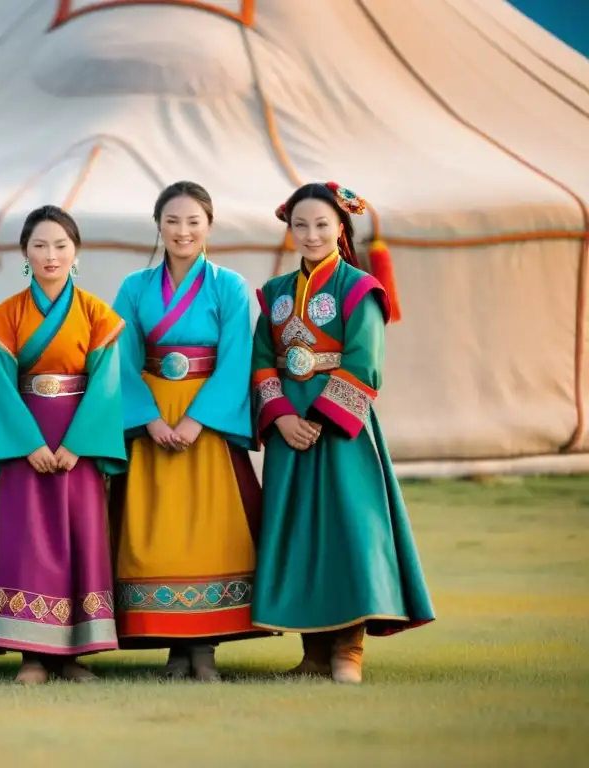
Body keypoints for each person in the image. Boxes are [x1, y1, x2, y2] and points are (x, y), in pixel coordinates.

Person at [250, 181, 435, 684]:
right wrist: (284, 417)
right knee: (299, 533)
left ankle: (347, 651)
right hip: (291, 432)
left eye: (322, 224)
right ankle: (312, 653)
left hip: (342, 433)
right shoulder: (274, 295)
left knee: (350, 531)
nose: (311, 235)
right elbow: (263, 361)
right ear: (289, 230)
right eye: (301, 225)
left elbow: (364, 362)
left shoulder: (360, 289)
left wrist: (321, 419)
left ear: (340, 228)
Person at [112, 181, 265, 682]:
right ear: (158, 224)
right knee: (158, 533)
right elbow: (124, 358)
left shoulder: (230, 286)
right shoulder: (134, 288)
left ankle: (205, 649)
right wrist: (150, 420)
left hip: (206, 423)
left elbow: (237, 356)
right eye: (173, 221)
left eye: (193, 221)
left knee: (209, 533)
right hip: (154, 418)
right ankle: (174, 647)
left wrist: (197, 420)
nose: (182, 231)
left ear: (209, 226)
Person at [0, 205, 127, 685]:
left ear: (76, 251)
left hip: (76, 443)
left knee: (79, 540)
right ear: (24, 253)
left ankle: (71, 656)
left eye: (60, 245)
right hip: (26, 446)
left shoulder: (98, 314)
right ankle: (31, 656)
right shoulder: (7, 315)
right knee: (27, 544)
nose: (50, 255)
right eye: (39, 245)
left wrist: (79, 444)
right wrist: (27, 443)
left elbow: (106, 385)